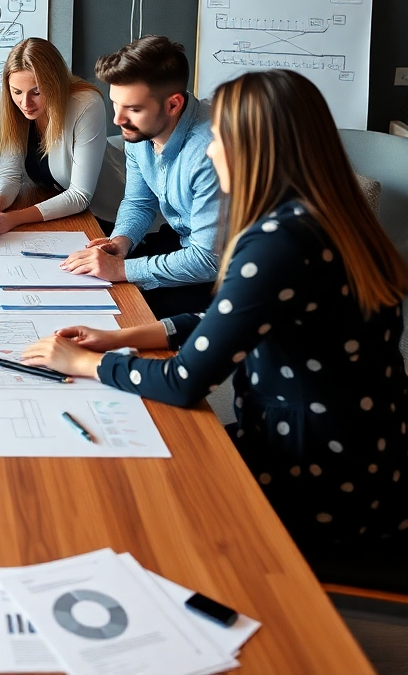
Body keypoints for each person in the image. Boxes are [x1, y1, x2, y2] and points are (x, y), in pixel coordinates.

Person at [21, 69, 408, 586]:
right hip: (370, 461)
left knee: (132, 498)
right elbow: (233, 321)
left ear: (255, 148)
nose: (210, 149)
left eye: (220, 137)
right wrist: (123, 337)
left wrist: (87, 364)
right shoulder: (330, 219)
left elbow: (185, 382)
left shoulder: (276, 242)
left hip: (315, 481)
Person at [62, 35, 221, 317]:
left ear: (173, 105)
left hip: (226, 274)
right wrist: (121, 241)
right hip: (183, 242)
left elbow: (209, 260)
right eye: (115, 104)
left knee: (123, 312)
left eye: (133, 109)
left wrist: (122, 269)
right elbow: (139, 201)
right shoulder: (140, 133)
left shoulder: (211, 153)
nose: (118, 120)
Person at [0, 38, 109, 234]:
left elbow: (80, 195)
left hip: (105, 216)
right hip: (60, 213)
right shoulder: (17, 111)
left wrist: (15, 218)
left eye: (37, 92)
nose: (25, 103)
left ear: (54, 84)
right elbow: (10, 173)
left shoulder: (86, 104)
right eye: (17, 92)